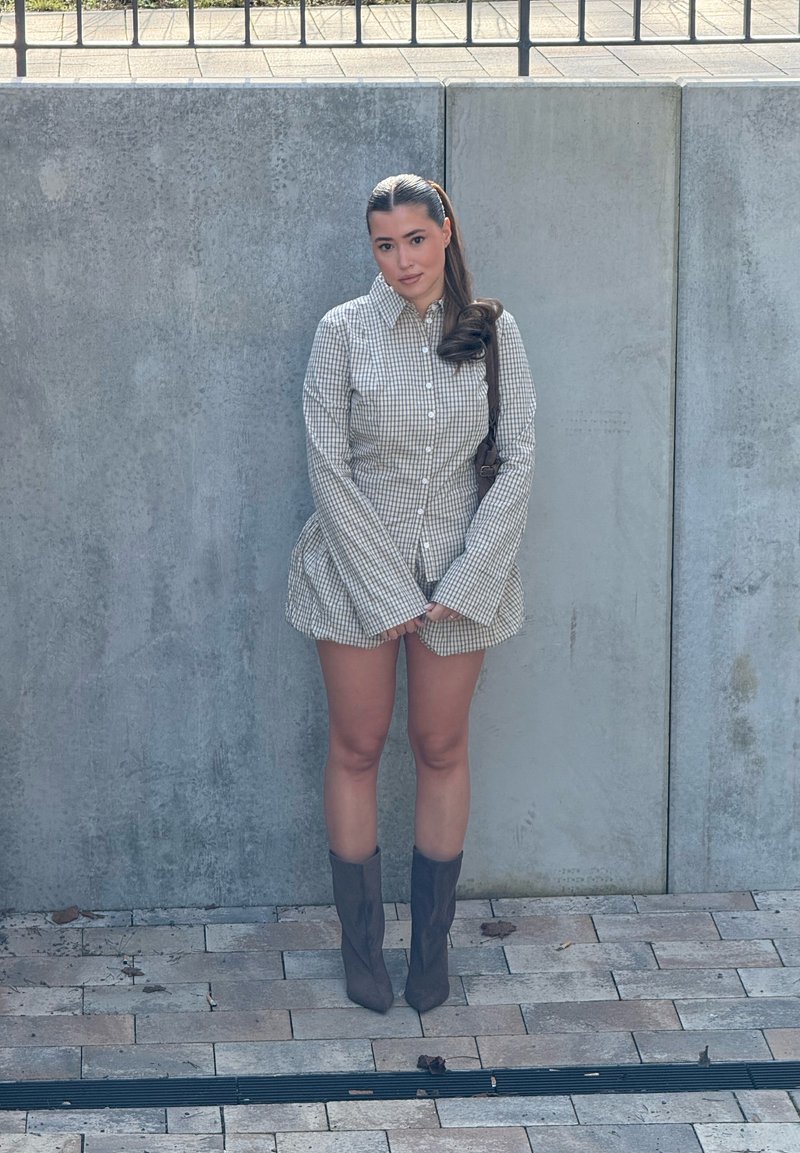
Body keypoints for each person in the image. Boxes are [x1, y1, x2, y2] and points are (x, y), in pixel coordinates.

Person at [286, 174, 536, 1014]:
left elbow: (520, 458)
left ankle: (431, 951)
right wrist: (390, 590)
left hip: (464, 577)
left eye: (416, 240)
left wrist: (467, 579)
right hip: (355, 575)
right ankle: (363, 951)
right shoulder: (343, 333)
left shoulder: (496, 334)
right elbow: (327, 465)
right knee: (357, 746)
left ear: (446, 233)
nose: (402, 260)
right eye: (385, 245)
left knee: (441, 748)